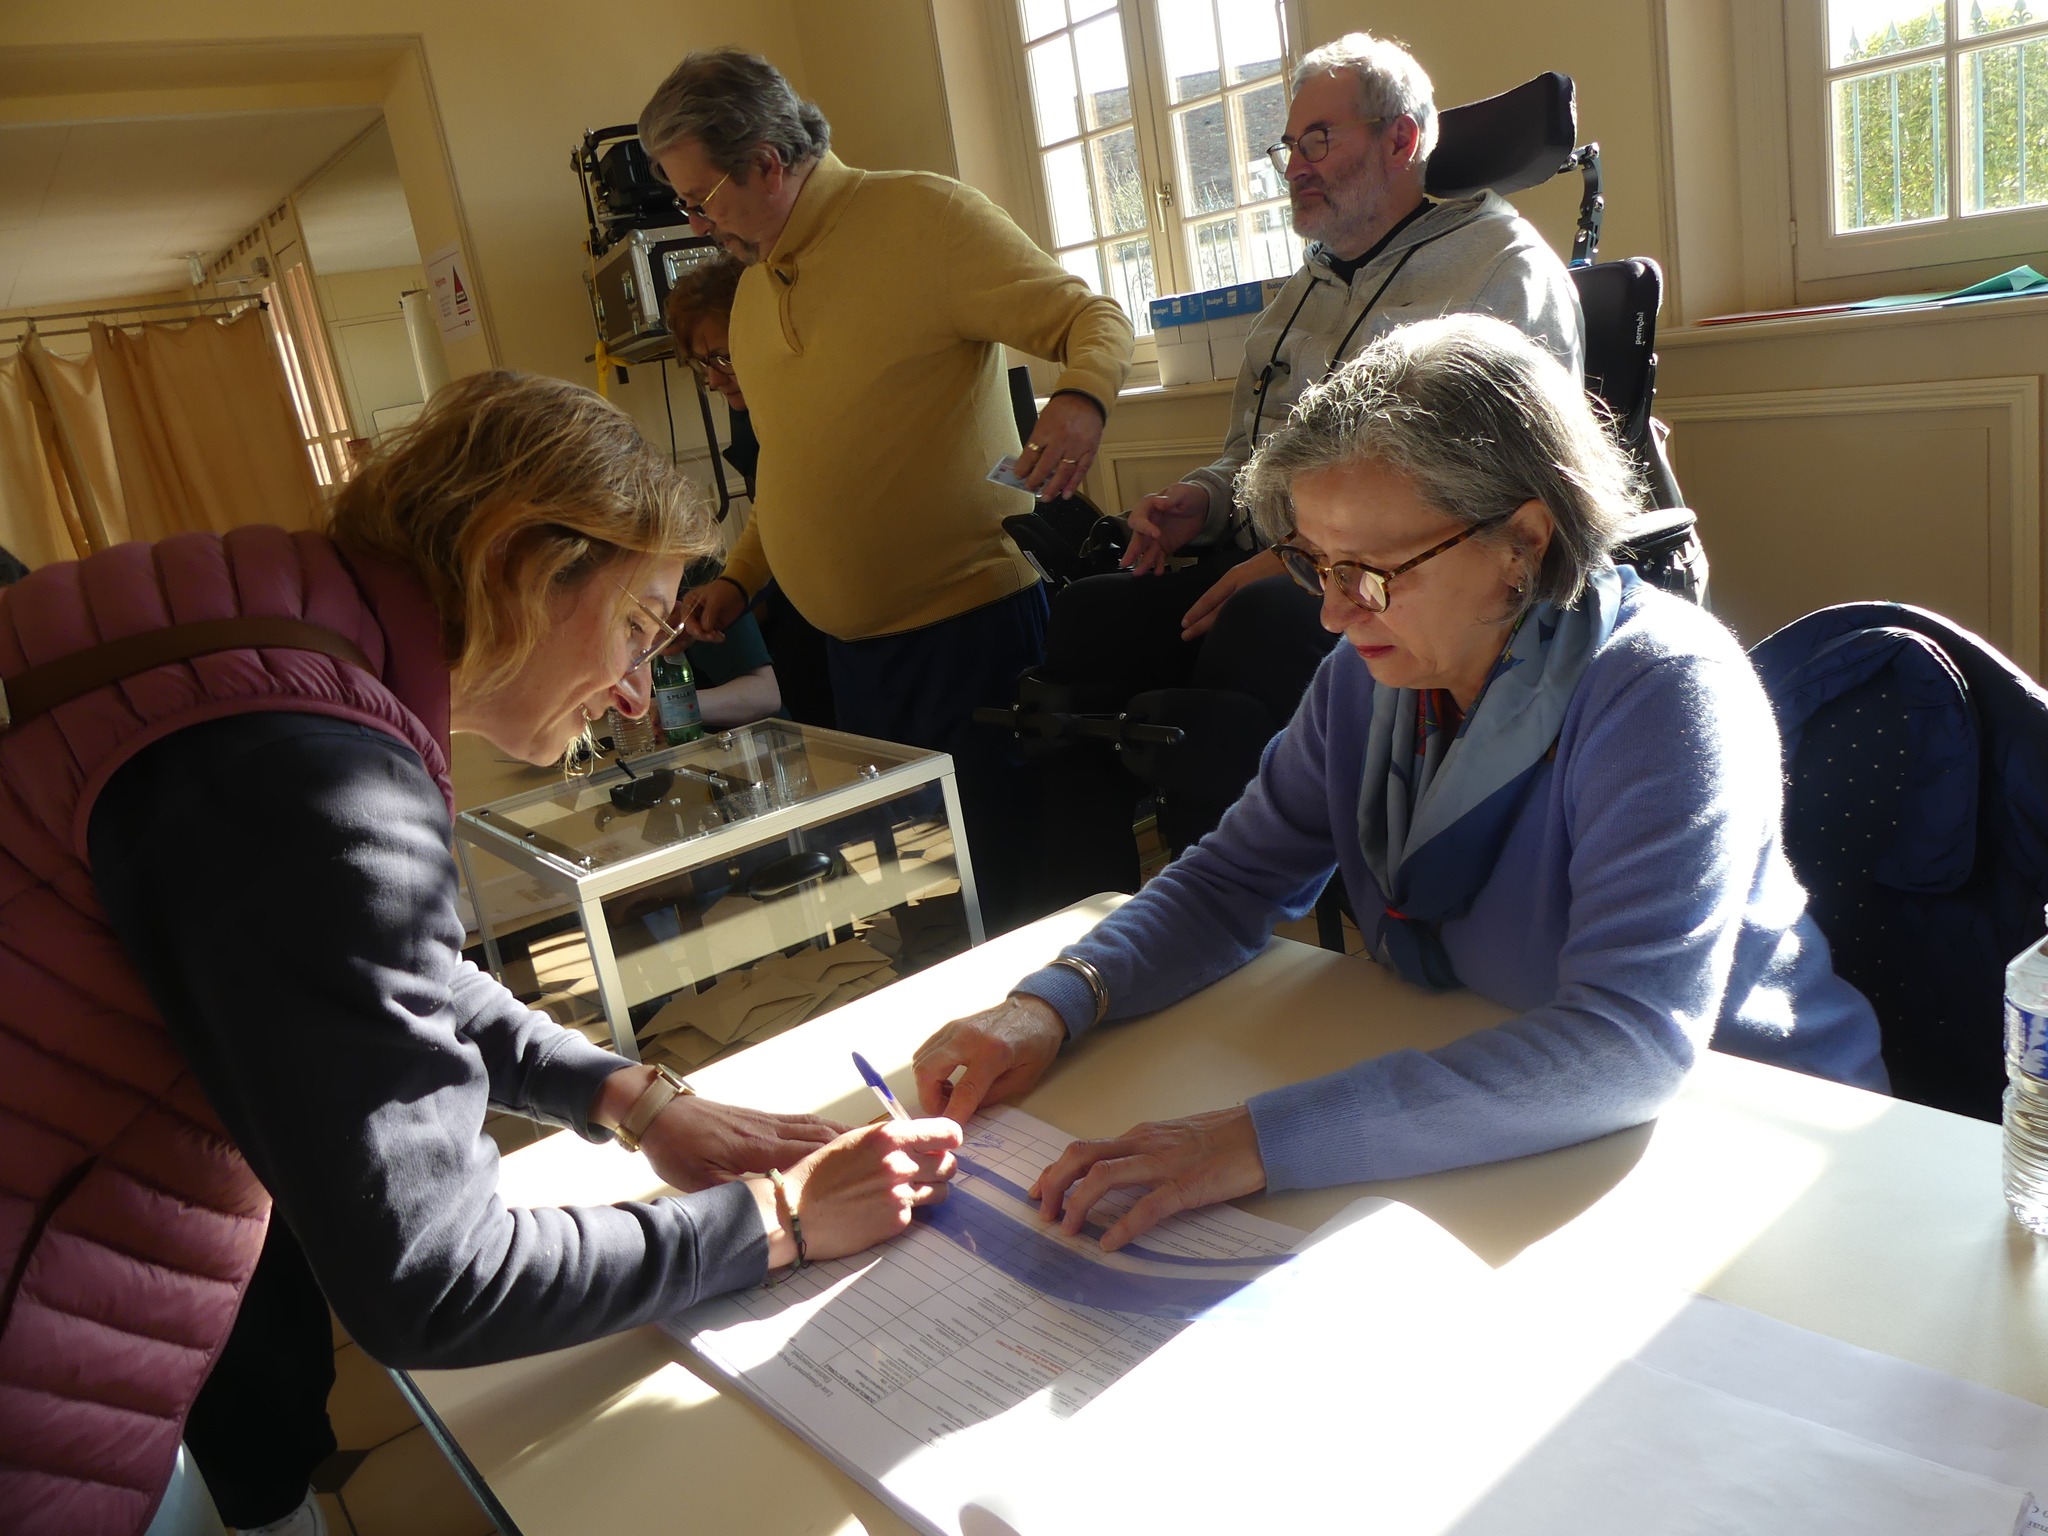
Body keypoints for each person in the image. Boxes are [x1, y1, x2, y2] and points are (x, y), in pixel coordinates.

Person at [0, 371, 961, 1536]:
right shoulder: (311, 774)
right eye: (637, 627)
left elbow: (378, 968)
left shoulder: (257, 646)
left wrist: (629, 1096)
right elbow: (437, 1280)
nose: (634, 694)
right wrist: (781, 1218)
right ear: (517, 559)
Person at [912, 315, 1884, 1252]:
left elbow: (1627, 1039)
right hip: (1510, 1110)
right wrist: (1052, 1002)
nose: (1334, 616)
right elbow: (1232, 881)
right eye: (1315, 565)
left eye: (1373, 573)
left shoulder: (1663, 688)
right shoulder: (1370, 675)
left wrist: (1252, 1140)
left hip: (1749, 1137)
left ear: (1523, 540)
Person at [1033, 31, 1586, 910]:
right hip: (1271, 559)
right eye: (1288, 146)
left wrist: (1300, 561)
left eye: (1318, 141)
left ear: (1402, 140)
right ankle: (1080, 917)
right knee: (1085, 622)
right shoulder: (1301, 294)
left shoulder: (1501, 269)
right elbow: (1253, 460)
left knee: (1254, 626)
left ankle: (1239, 908)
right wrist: (1201, 501)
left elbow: (1498, 489)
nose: (1294, 166)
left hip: (1404, 573)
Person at [637, 47, 1135, 932]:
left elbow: (1090, 317)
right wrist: (740, 579)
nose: (699, 224)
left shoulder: (923, 216)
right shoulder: (752, 296)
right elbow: (790, 467)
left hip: (970, 637)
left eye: (702, 198)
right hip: (855, 662)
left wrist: (1082, 398)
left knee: (1022, 898)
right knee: (931, 905)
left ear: (765, 163)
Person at [665, 252, 834, 728]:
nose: (714, 379)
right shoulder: (750, 410)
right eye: (704, 364)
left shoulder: (819, 402)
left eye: (724, 357)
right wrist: (737, 589)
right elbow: (777, 511)